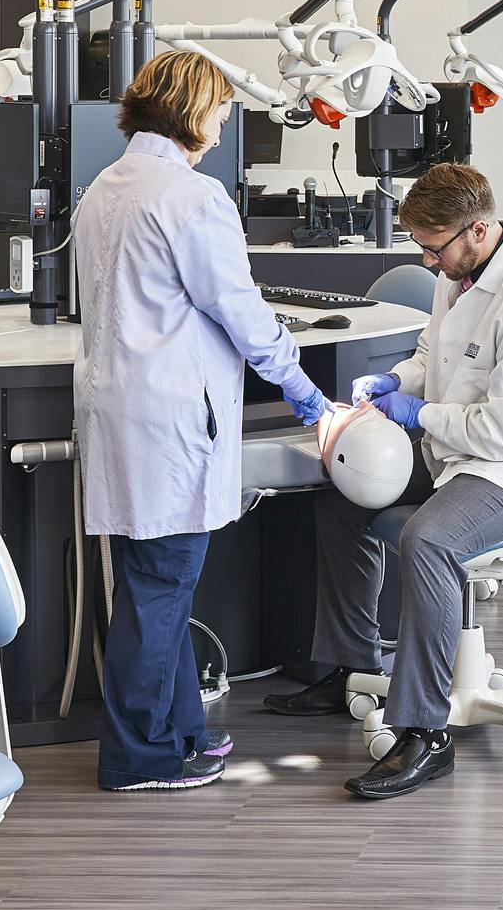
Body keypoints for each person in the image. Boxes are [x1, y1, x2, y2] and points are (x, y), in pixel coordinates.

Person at [264, 162, 503, 803]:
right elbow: (429, 353)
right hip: (456, 449)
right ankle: (351, 665)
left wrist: (419, 416)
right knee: (343, 494)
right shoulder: (460, 273)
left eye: (432, 245)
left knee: (429, 541)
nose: (425, 258)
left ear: (478, 230)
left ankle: (423, 731)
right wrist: (399, 381)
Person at [70, 50, 328, 793]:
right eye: (219, 107)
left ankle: (179, 732)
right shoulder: (193, 197)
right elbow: (240, 312)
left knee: (156, 586)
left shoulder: (103, 188)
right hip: (167, 420)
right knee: (159, 590)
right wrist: (300, 385)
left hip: (120, 411)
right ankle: (138, 758)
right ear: (188, 109)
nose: (223, 121)